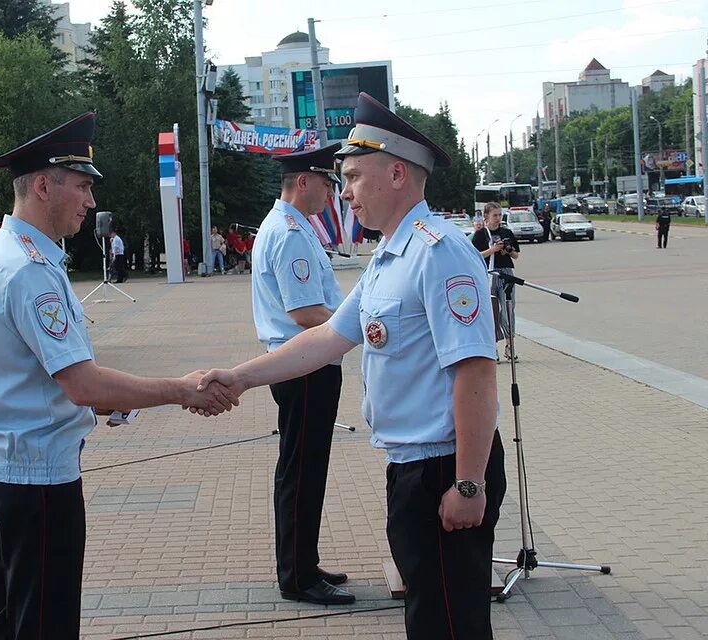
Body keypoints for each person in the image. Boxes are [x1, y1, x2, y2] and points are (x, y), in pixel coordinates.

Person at [197, 93, 506, 640]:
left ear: (395, 175)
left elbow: (477, 373)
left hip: (444, 467)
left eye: (354, 178)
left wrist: (469, 483)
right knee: (430, 619)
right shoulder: (390, 257)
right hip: (410, 468)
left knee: (449, 624)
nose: (346, 194)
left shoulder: (439, 252)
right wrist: (241, 376)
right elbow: (323, 338)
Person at [0, 112, 238, 639]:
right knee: (43, 621)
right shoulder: (28, 270)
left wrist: (117, 399)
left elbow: (46, 377)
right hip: (38, 477)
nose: (90, 202)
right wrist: (181, 390)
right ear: (44, 185)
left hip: (12, 465)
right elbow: (83, 384)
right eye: (83, 187)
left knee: (11, 616)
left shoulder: (4, 255)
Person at [251, 143, 352, 605]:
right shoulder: (290, 232)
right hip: (304, 365)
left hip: (302, 365)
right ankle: (297, 575)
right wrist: (358, 327)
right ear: (304, 182)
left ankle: (303, 562)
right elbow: (306, 311)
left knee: (305, 469)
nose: (332, 195)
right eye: (329, 185)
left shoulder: (291, 227)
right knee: (302, 471)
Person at [472, 202, 520, 362]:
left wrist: (507, 249)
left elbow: (516, 255)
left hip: (506, 273)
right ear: (486, 217)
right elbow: (475, 256)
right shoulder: (480, 234)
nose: (498, 218)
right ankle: (492, 347)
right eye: (495, 215)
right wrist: (492, 250)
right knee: (490, 312)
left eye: (500, 215)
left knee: (508, 309)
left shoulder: (506, 232)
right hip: (488, 274)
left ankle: (510, 345)